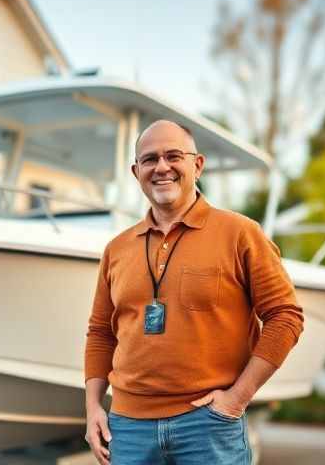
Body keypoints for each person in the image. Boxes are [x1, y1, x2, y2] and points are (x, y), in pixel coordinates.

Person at [83, 120, 304, 464]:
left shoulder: (240, 233)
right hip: (128, 428)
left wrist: (237, 398)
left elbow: (286, 316)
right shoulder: (117, 248)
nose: (162, 167)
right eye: (150, 159)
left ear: (197, 165)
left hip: (208, 426)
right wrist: (94, 407)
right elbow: (100, 332)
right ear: (136, 171)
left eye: (173, 156)